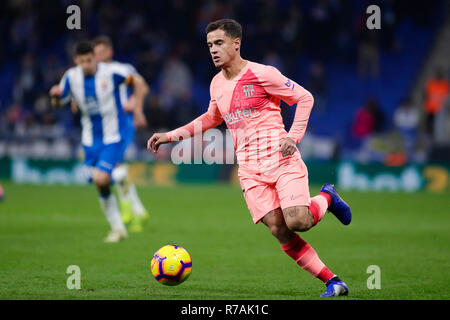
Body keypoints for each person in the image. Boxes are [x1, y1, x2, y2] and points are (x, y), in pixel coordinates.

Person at [147, 19, 352, 297]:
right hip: (249, 169)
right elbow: (211, 118)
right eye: (209, 45)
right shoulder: (216, 84)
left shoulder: (263, 74)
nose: (213, 50)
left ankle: (327, 198)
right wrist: (170, 136)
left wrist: (294, 136)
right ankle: (334, 282)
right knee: (279, 229)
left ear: (236, 43)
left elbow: (305, 98)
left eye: (219, 43)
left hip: (279, 158)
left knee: (298, 221)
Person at [49, 41, 138, 242]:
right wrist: (55, 97)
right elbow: (58, 103)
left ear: (94, 58)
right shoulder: (71, 77)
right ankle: (118, 227)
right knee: (98, 183)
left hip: (112, 136)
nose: (87, 65)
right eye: (83, 62)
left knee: (100, 178)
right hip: (89, 140)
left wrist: (134, 102)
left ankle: (118, 226)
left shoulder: (112, 72)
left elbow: (136, 82)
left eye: (90, 60)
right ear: (76, 61)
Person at [92, 36, 149, 232]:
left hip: (122, 124)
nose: (97, 57)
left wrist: (136, 107)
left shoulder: (122, 70)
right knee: (113, 168)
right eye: (94, 54)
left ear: (109, 52)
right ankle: (138, 210)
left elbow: (142, 85)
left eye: (100, 53)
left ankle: (126, 207)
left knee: (113, 166)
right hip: (102, 127)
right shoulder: (93, 76)